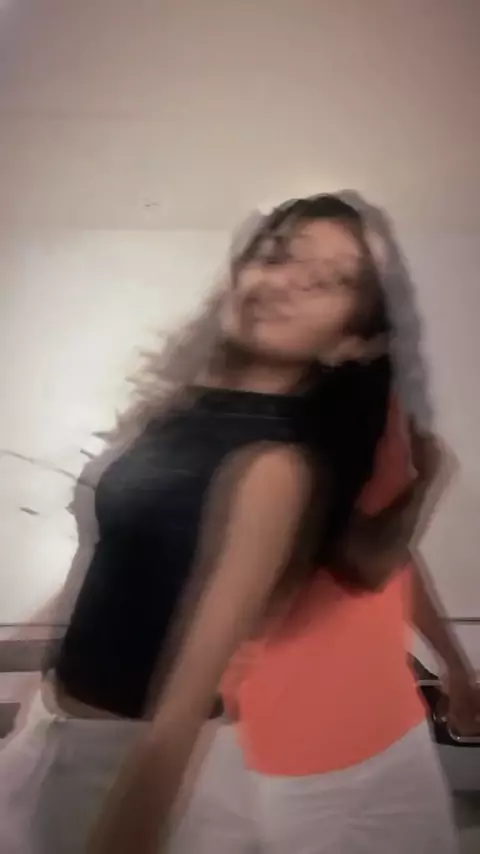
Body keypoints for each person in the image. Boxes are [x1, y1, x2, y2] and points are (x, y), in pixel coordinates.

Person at [0, 195, 453, 853]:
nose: (286, 282)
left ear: (349, 340)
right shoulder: (167, 417)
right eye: (279, 255)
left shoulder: (276, 466)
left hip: (130, 769)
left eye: (326, 282)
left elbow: (184, 706)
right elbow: (100, 574)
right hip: (51, 732)